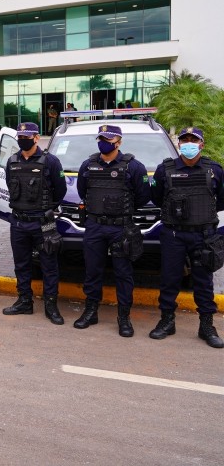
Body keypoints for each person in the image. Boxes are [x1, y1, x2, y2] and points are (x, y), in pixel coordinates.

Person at [149, 127, 224, 349]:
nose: (189, 143)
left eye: (194, 140)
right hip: (173, 233)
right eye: (185, 140)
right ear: (179, 144)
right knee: (169, 279)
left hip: (204, 235)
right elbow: (157, 197)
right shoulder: (165, 169)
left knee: (203, 282)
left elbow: (221, 199)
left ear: (202, 144)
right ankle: (167, 321)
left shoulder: (215, 170)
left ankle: (207, 326)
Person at [74, 125, 151, 337]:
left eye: (108, 138)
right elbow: (83, 191)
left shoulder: (134, 167)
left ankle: (124, 317)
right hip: (95, 226)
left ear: (119, 141)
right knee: (92, 271)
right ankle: (91, 312)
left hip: (121, 227)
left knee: (123, 274)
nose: (103, 141)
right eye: (101, 137)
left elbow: (143, 196)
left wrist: (123, 212)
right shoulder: (87, 165)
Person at [2, 122, 67, 324]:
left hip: (43, 223)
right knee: (21, 265)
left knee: (49, 264)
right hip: (19, 222)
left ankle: (50, 305)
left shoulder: (51, 162)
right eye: (20, 137)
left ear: (36, 138)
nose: (23, 139)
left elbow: (60, 190)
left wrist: (45, 209)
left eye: (27, 136)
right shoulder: (12, 161)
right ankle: (24, 301)